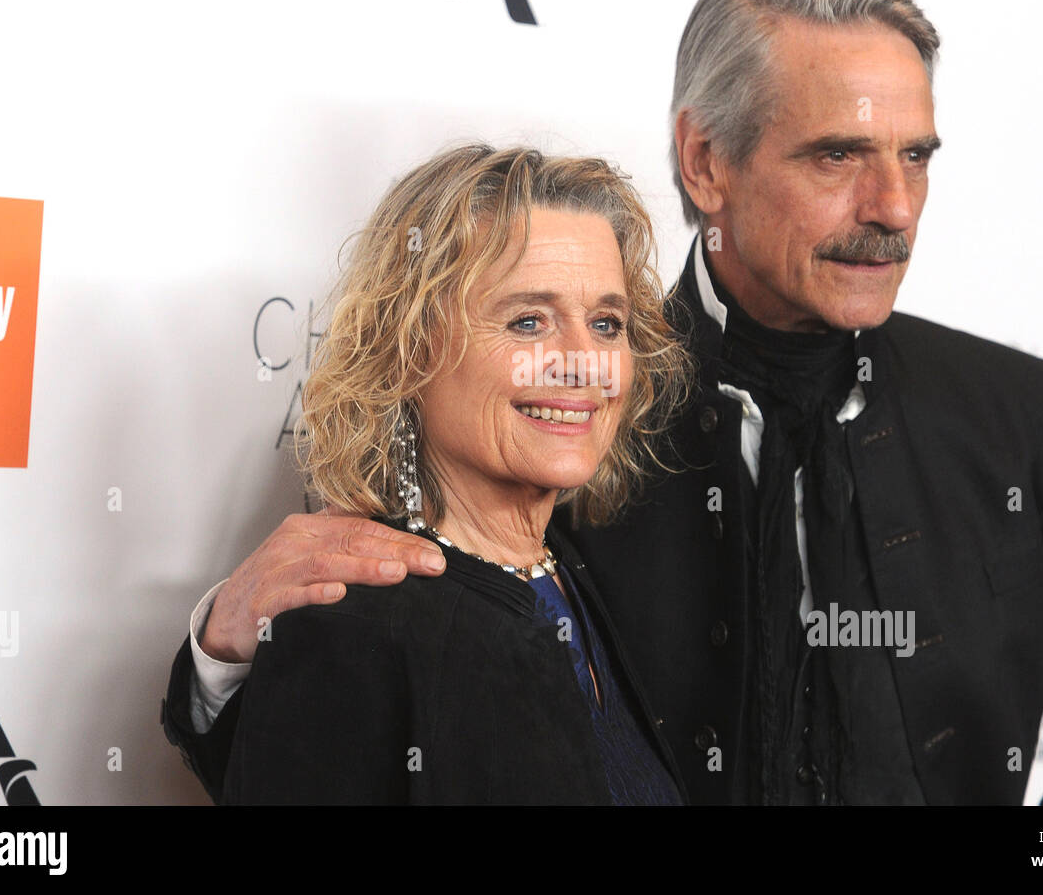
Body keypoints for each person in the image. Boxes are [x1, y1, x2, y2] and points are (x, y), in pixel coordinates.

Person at [163, 0, 1043, 805]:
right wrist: (223, 646)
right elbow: (361, 733)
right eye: (838, 156)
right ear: (706, 162)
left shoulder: (1021, 417)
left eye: (914, 156)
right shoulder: (564, 414)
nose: (893, 207)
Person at [198, 143, 692, 803]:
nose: (586, 364)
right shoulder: (346, 627)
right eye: (528, 321)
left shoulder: (582, 572)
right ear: (406, 347)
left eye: (607, 323)